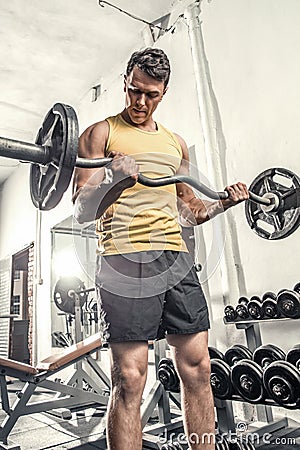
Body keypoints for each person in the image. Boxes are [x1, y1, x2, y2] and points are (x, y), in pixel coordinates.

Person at [72, 48, 249, 450]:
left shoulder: (175, 144)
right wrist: (112, 179)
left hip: (174, 260)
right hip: (122, 259)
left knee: (199, 368)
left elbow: (190, 212)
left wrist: (225, 201)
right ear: (125, 83)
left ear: (164, 92)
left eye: (151, 94)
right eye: (134, 90)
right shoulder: (102, 133)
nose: (140, 102)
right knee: (131, 378)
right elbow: (82, 209)